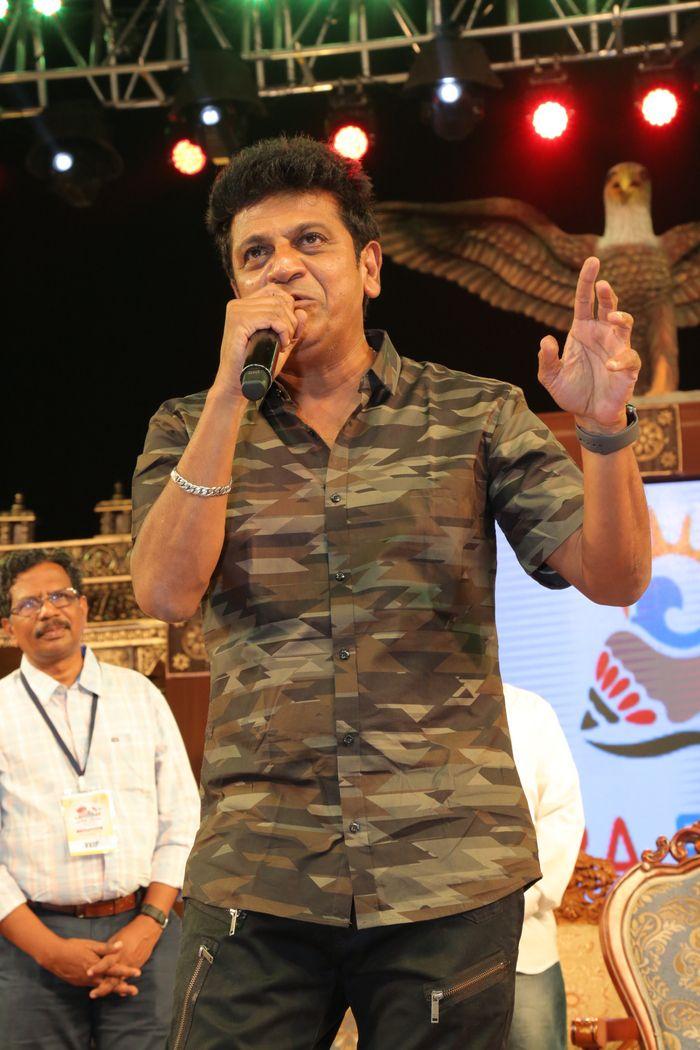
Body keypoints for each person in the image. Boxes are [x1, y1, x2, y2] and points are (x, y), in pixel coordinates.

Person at [130, 135, 650, 1050]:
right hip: (259, 875)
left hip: (447, 874)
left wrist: (604, 432)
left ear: (369, 267)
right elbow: (166, 594)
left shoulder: (475, 414)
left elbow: (615, 575)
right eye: (256, 254)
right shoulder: (188, 426)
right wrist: (226, 395)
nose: (283, 266)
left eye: (310, 241)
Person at [0, 548, 201, 1049]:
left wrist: (149, 924)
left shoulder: (139, 696)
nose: (48, 611)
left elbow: (182, 816)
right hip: (28, 946)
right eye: (29, 604)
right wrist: (48, 950)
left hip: (145, 932)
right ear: (7, 627)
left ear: (84, 606)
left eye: (61, 596)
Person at [503, 684, 585, 1050]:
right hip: (421, 952)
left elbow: (562, 817)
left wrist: (514, 903)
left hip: (523, 947)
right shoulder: (393, 707)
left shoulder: (527, 709)